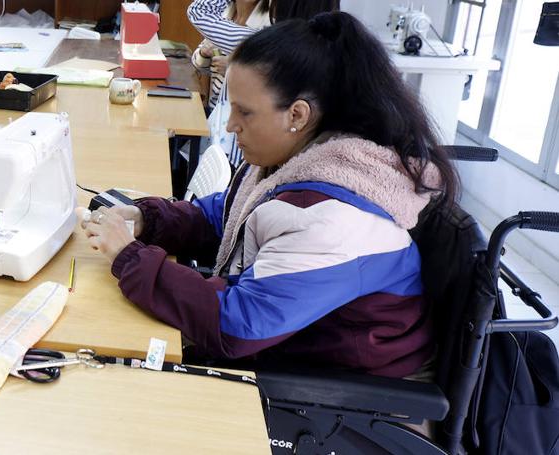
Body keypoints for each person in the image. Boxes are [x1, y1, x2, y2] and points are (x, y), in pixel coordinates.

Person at [77, 12, 459, 378]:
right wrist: (149, 220)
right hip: (296, 349)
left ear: (297, 115)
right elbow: (223, 216)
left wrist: (131, 259)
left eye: (244, 113)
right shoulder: (297, 162)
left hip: (348, 394)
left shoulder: (334, 218)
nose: (229, 126)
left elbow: (236, 327)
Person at [188, 0, 339, 166]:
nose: (231, 125)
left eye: (245, 112)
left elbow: (199, 11)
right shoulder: (324, 53)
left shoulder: (267, 44)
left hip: (242, 156)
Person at [192, 0, 270, 113]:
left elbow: (267, 79)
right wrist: (203, 54)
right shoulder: (222, 13)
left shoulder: (267, 23)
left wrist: (235, 68)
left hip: (240, 113)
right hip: (215, 108)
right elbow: (197, 65)